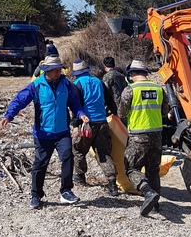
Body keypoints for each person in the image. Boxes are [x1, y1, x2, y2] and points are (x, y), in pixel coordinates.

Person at [0, 55, 90, 209]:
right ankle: (36, 195)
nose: (58, 72)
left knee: (68, 157)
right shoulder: (36, 86)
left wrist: (81, 114)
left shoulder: (66, 84)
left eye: (59, 69)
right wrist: (9, 115)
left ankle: (66, 191)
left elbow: (74, 103)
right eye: (54, 70)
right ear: (46, 70)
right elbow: (20, 100)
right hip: (43, 133)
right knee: (40, 164)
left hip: (62, 132)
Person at [117, 59, 168, 217]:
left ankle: (147, 193)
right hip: (157, 135)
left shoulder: (130, 90)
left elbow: (121, 113)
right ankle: (155, 205)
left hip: (138, 136)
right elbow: (164, 112)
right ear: (146, 73)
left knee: (131, 168)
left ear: (132, 74)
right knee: (153, 169)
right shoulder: (159, 89)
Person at [70, 60, 118, 196]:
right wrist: (115, 114)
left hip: (86, 123)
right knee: (103, 153)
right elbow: (110, 101)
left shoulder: (77, 84)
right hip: (102, 122)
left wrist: (75, 125)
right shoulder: (99, 82)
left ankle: (80, 177)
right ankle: (112, 183)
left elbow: (76, 106)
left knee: (78, 150)